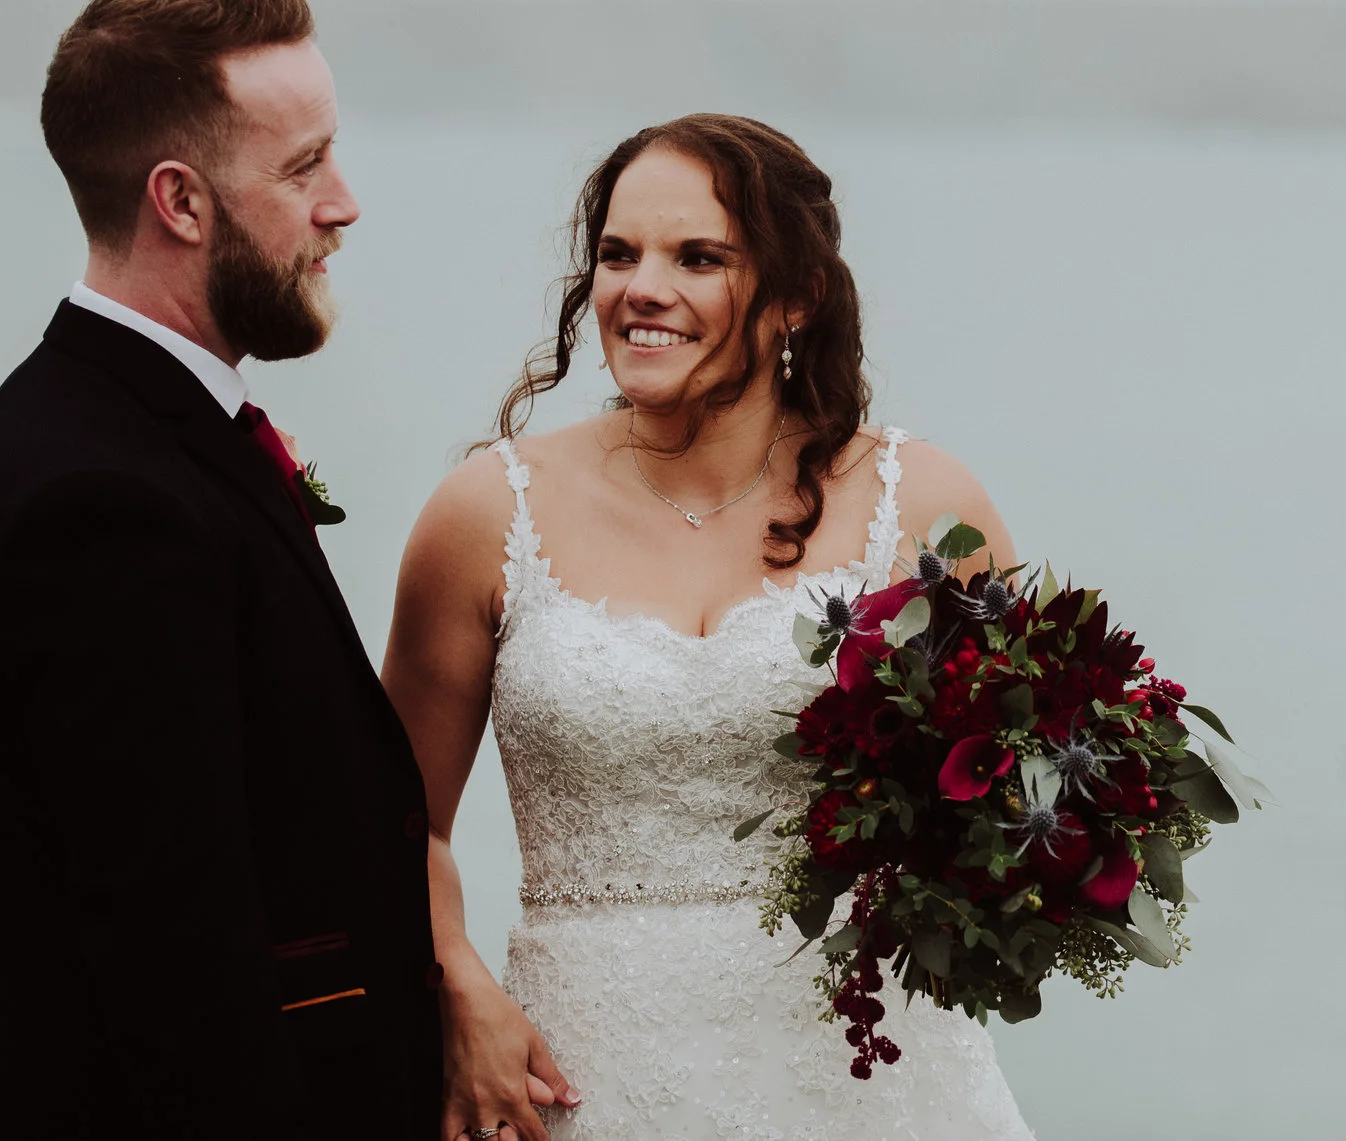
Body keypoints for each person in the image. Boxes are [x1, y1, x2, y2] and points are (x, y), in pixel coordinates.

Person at [383, 114, 1037, 1140]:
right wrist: (458, 985)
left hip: (874, 1083)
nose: (641, 287)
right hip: (589, 1077)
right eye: (616, 254)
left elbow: (1020, 794)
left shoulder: (921, 506)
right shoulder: (482, 515)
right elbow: (389, 818)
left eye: (698, 257)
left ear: (796, 297)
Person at [0, 0, 442, 1138]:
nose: (344, 203)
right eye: (303, 165)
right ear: (181, 200)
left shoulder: (128, 427)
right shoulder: (102, 504)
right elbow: (176, 976)